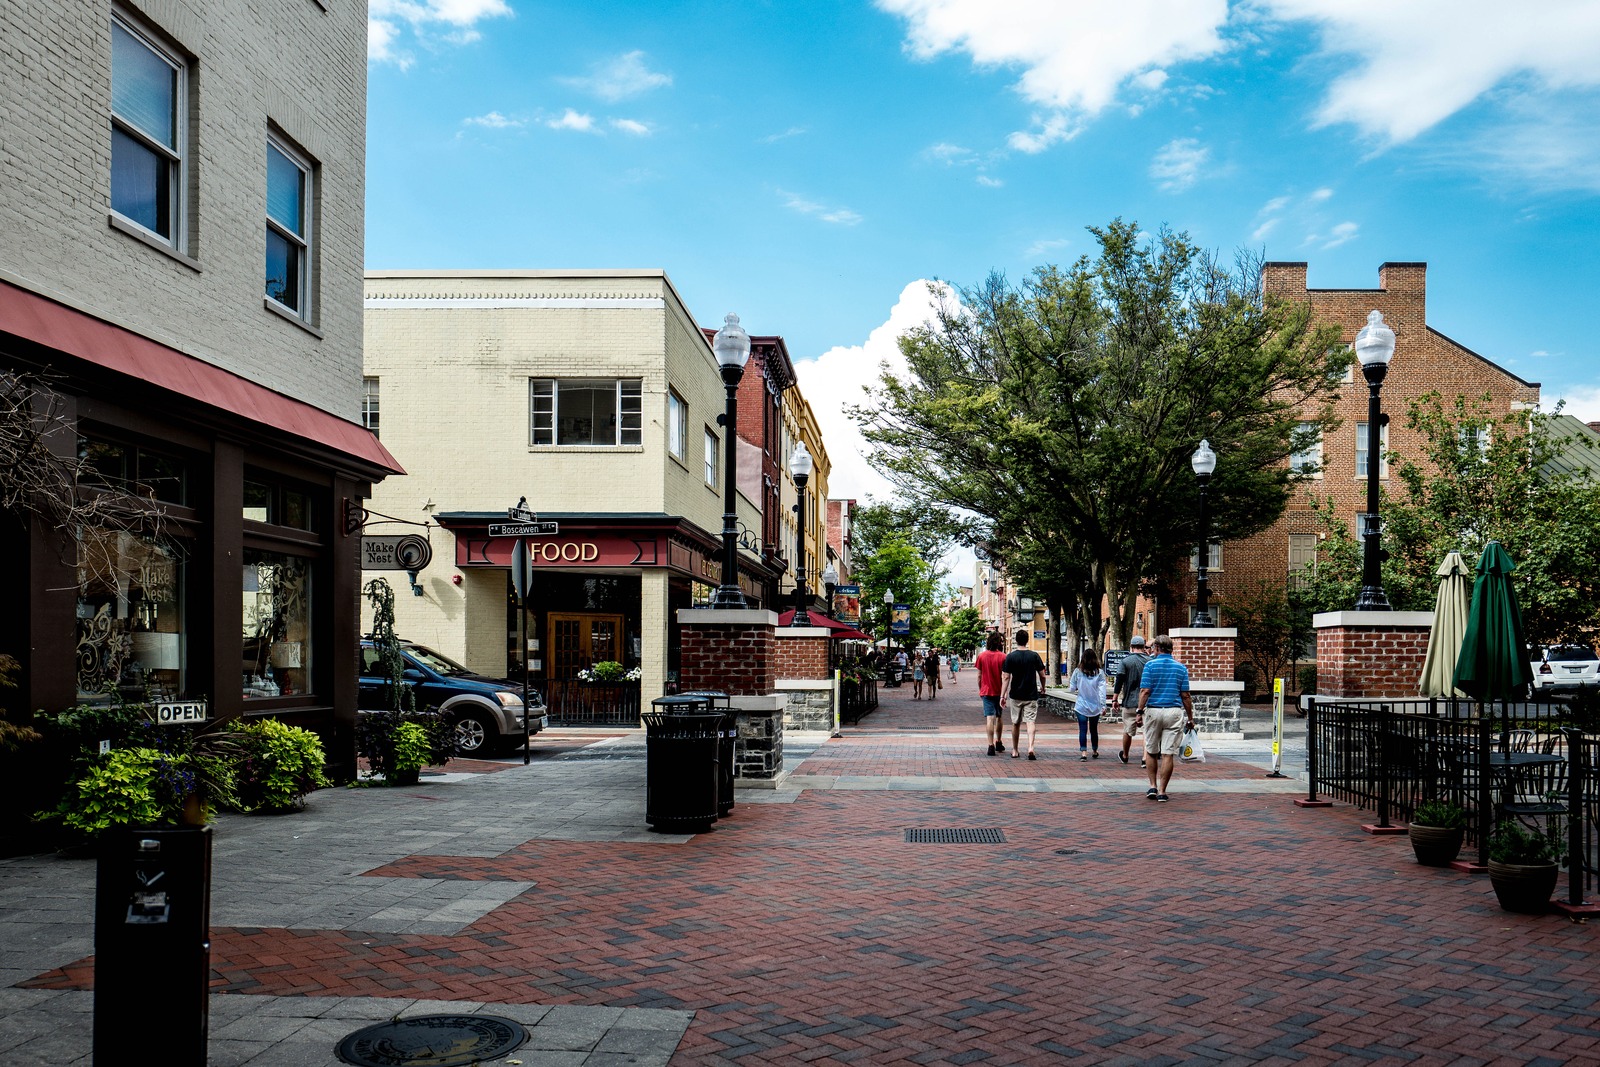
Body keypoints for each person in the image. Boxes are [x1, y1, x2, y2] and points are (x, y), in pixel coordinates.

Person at [1135, 634, 1195, 803]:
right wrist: (1190, 717)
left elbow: (1145, 691)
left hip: (1154, 711)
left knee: (1152, 751)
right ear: (1171, 649)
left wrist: (1139, 712)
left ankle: (1152, 786)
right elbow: (1186, 695)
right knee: (1168, 753)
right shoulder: (1181, 668)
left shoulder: (1150, 666)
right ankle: (1163, 791)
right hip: (1174, 712)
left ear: (1157, 648)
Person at [1000, 629, 1047, 761]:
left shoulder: (1010, 657)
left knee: (1016, 723)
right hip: (1031, 694)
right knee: (1030, 722)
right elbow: (1042, 674)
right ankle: (1031, 747)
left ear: (1016, 640)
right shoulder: (1034, 656)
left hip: (1015, 695)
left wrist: (1002, 696)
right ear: (1027, 640)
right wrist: (1043, 688)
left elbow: (1006, 677)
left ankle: (1015, 750)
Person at [1112, 636, 1150, 767]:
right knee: (1147, 731)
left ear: (1131, 646)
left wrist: (1115, 699)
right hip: (1147, 702)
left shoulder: (1125, 662)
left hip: (1129, 701)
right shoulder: (1150, 661)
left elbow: (1119, 681)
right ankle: (1145, 758)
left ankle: (1125, 755)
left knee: (1128, 730)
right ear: (1144, 647)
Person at [1066, 648, 1109, 760]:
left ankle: (1083, 752)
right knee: (1094, 729)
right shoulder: (1100, 673)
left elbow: (1071, 688)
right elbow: (1102, 691)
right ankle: (1095, 750)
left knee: (1083, 729)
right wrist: (1103, 705)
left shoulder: (1077, 671)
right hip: (1095, 706)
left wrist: (1076, 687)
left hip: (1081, 705)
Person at [976, 632, 1007, 755]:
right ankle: (998, 741)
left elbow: (979, 675)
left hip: (986, 691)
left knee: (990, 718)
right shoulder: (1004, 657)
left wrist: (981, 688)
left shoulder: (982, 656)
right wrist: (1004, 693)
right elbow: (1005, 676)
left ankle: (990, 745)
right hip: (999, 691)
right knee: (999, 717)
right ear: (999, 642)